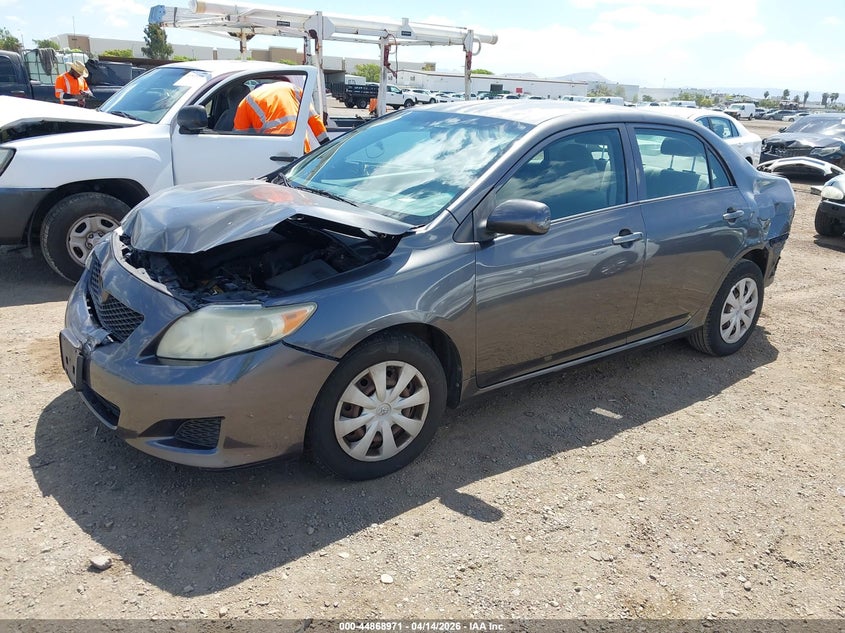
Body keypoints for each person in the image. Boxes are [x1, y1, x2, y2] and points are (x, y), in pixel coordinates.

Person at [232, 79, 329, 152]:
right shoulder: (292, 88)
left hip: (272, 148)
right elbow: (314, 119)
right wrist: (326, 144)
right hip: (300, 145)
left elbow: (238, 137)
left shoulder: (247, 100)